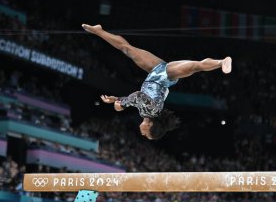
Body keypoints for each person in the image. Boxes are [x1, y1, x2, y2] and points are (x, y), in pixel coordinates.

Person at [82, 24, 232, 140]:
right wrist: (122, 103)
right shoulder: (152, 111)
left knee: (127, 48)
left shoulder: (145, 112)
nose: (143, 136)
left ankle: (98, 31)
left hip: (154, 71)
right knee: (195, 66)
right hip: (167, 75)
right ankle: (221, 62)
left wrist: (117, 100)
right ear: (150, 126)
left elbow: (138, 100)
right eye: (147, 135)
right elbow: (138, 96)